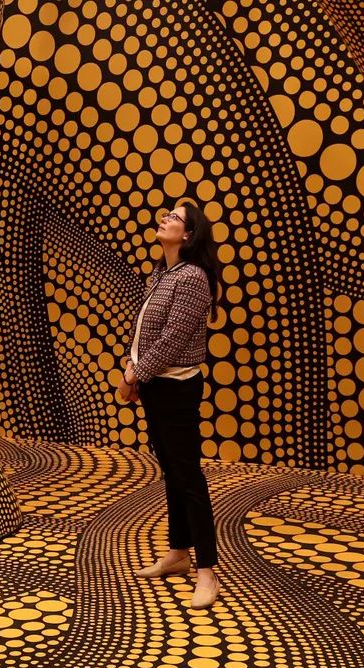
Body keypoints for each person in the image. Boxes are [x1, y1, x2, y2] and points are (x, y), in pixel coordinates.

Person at [117, 200, 222, 609]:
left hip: (177, 388)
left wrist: (134, 375)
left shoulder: (193, 277)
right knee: (172, 473)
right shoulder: (162, 273)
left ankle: (207, 572)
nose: (165, 219)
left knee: (189, 477)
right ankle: (179, 553)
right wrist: (134, 364)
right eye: (167, 215)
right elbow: (143, 330)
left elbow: (175, 338)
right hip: (155, 384)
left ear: (189, 235)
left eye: (174, 218)